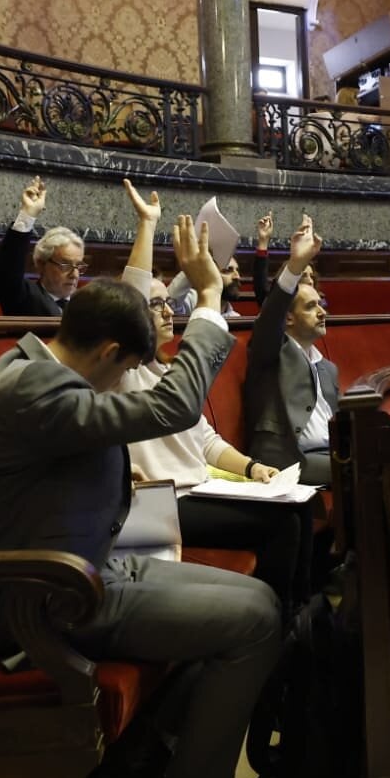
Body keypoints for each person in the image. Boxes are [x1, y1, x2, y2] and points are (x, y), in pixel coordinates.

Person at [0, 215, 290, 778]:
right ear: (108, 354)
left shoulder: (39, 371)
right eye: (126, 367)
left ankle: (135, 771)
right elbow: (172, 408)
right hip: (32, 598)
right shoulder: (30, 385)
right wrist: (209, 301)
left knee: (256, 596)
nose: (124, 378)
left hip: (80, 568)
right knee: (253, 621)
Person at [117, 179, 317, 606]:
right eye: (156, 305)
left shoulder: (164, 369)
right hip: (160, 500)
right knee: (281, 525)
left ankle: (300, 624)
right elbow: (131, 294)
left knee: (299, 508)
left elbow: (204, 440)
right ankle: (278, 629)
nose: (169, 310)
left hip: (201, 486)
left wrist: (252, 469)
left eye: (166, 302)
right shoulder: (124, 373)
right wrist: (147, 227)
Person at [244, 216, 338, 484]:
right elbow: (270, 315)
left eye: (320, 304)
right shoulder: (271, 352)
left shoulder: (328, 369)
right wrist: (296, 265)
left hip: (331, 453)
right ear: (288, 318)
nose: (322, 313)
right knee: (366, 471)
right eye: (310, 307)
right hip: (287, 459)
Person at [0, 175, 82, 316]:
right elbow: (6, 273)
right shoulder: (24, 296)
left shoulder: (86, 304)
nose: (75, 274)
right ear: (41, 264)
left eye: (78, 266)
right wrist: (28, 214)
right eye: (65, 265)